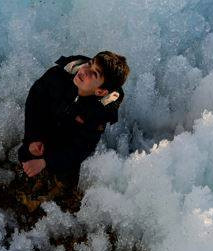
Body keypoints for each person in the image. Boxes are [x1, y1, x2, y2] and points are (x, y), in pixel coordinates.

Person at [16, 51, 129, 210]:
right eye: (90, 64)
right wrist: (33, 137)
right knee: (25, 156)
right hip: (45, 131)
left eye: (94, 73)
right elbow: (35, 102)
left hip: (66, 147)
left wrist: (46, 161)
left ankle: (59, 195)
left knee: (65, 182)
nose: (84, 70)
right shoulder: (59, 76)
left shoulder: (97, 114)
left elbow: (81, 149)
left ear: (100, 91)